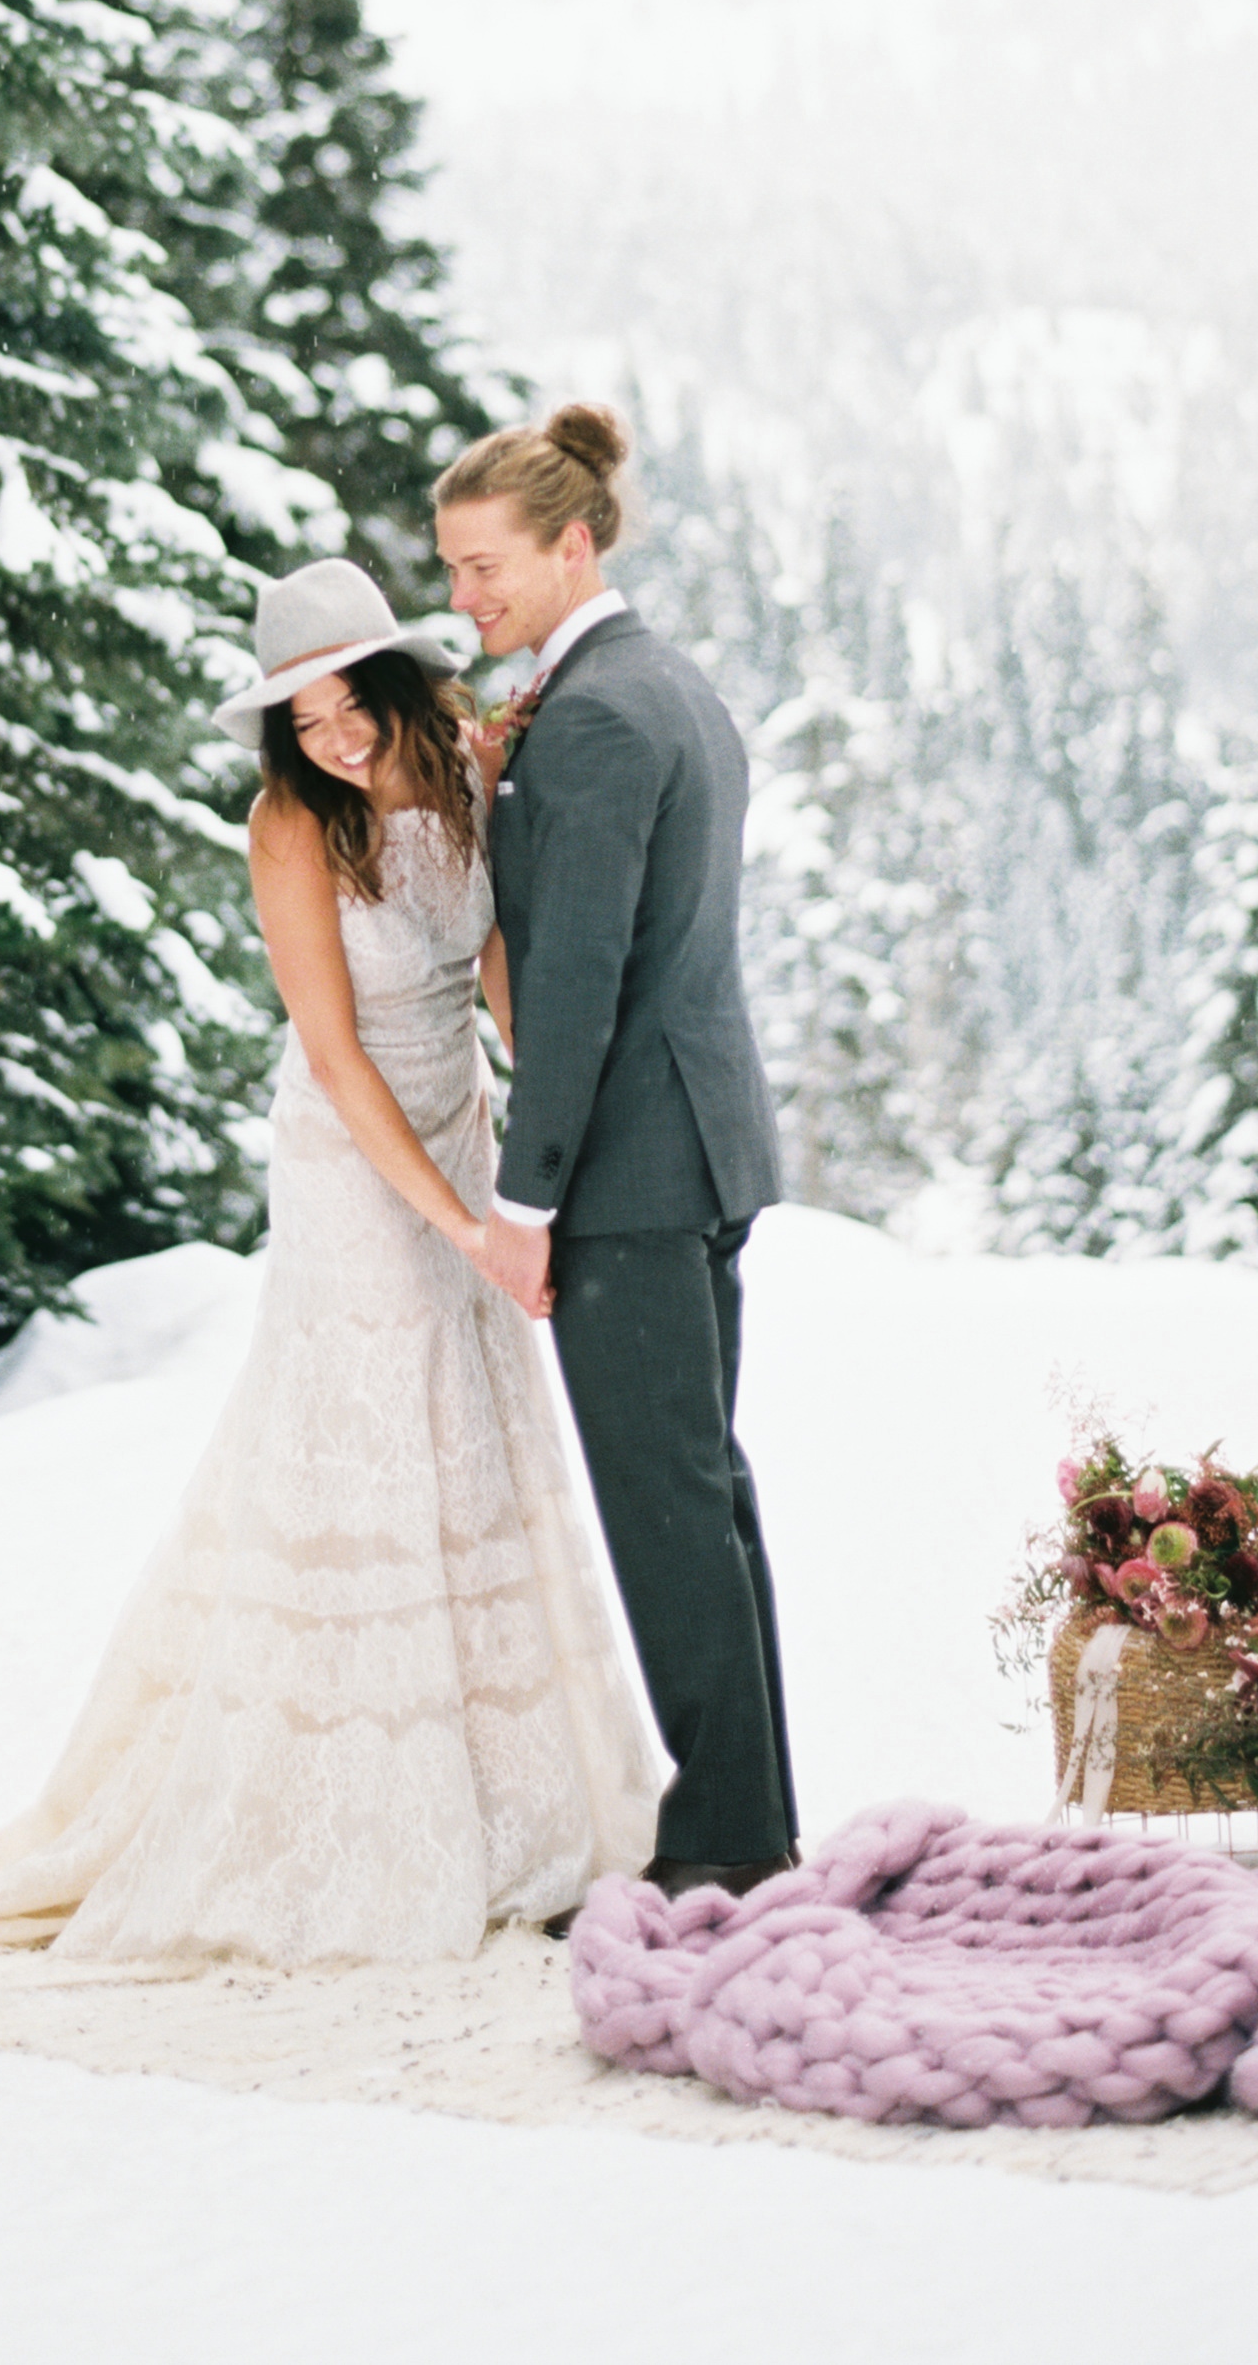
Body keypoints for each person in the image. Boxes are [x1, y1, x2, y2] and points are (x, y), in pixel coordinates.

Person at [0, 560, 659, 1970]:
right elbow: (334, 1058)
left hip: (461, 1130)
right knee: (374, 1439)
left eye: (353, 705)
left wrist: (550, 1143)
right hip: (353, 1163)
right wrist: (460, 1231)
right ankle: (361, 1814)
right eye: (306, 717)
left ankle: (514, 1806)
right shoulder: (290, 823)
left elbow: (498, 968)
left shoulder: (463, 766)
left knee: (474, 1426)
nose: (336, 737)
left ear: (399, 685)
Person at [432, 404, 798, 1901]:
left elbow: (573, 984)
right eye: (451, 571)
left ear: (573, 542)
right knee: (702, 1491)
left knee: (667, 1505)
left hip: (634, 1173)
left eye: (485, 565)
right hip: (701, 1144)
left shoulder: (589, 717)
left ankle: (721, 1841)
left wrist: (526, 1200)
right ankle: (749, 1820)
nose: (465, 596)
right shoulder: (669, 686)